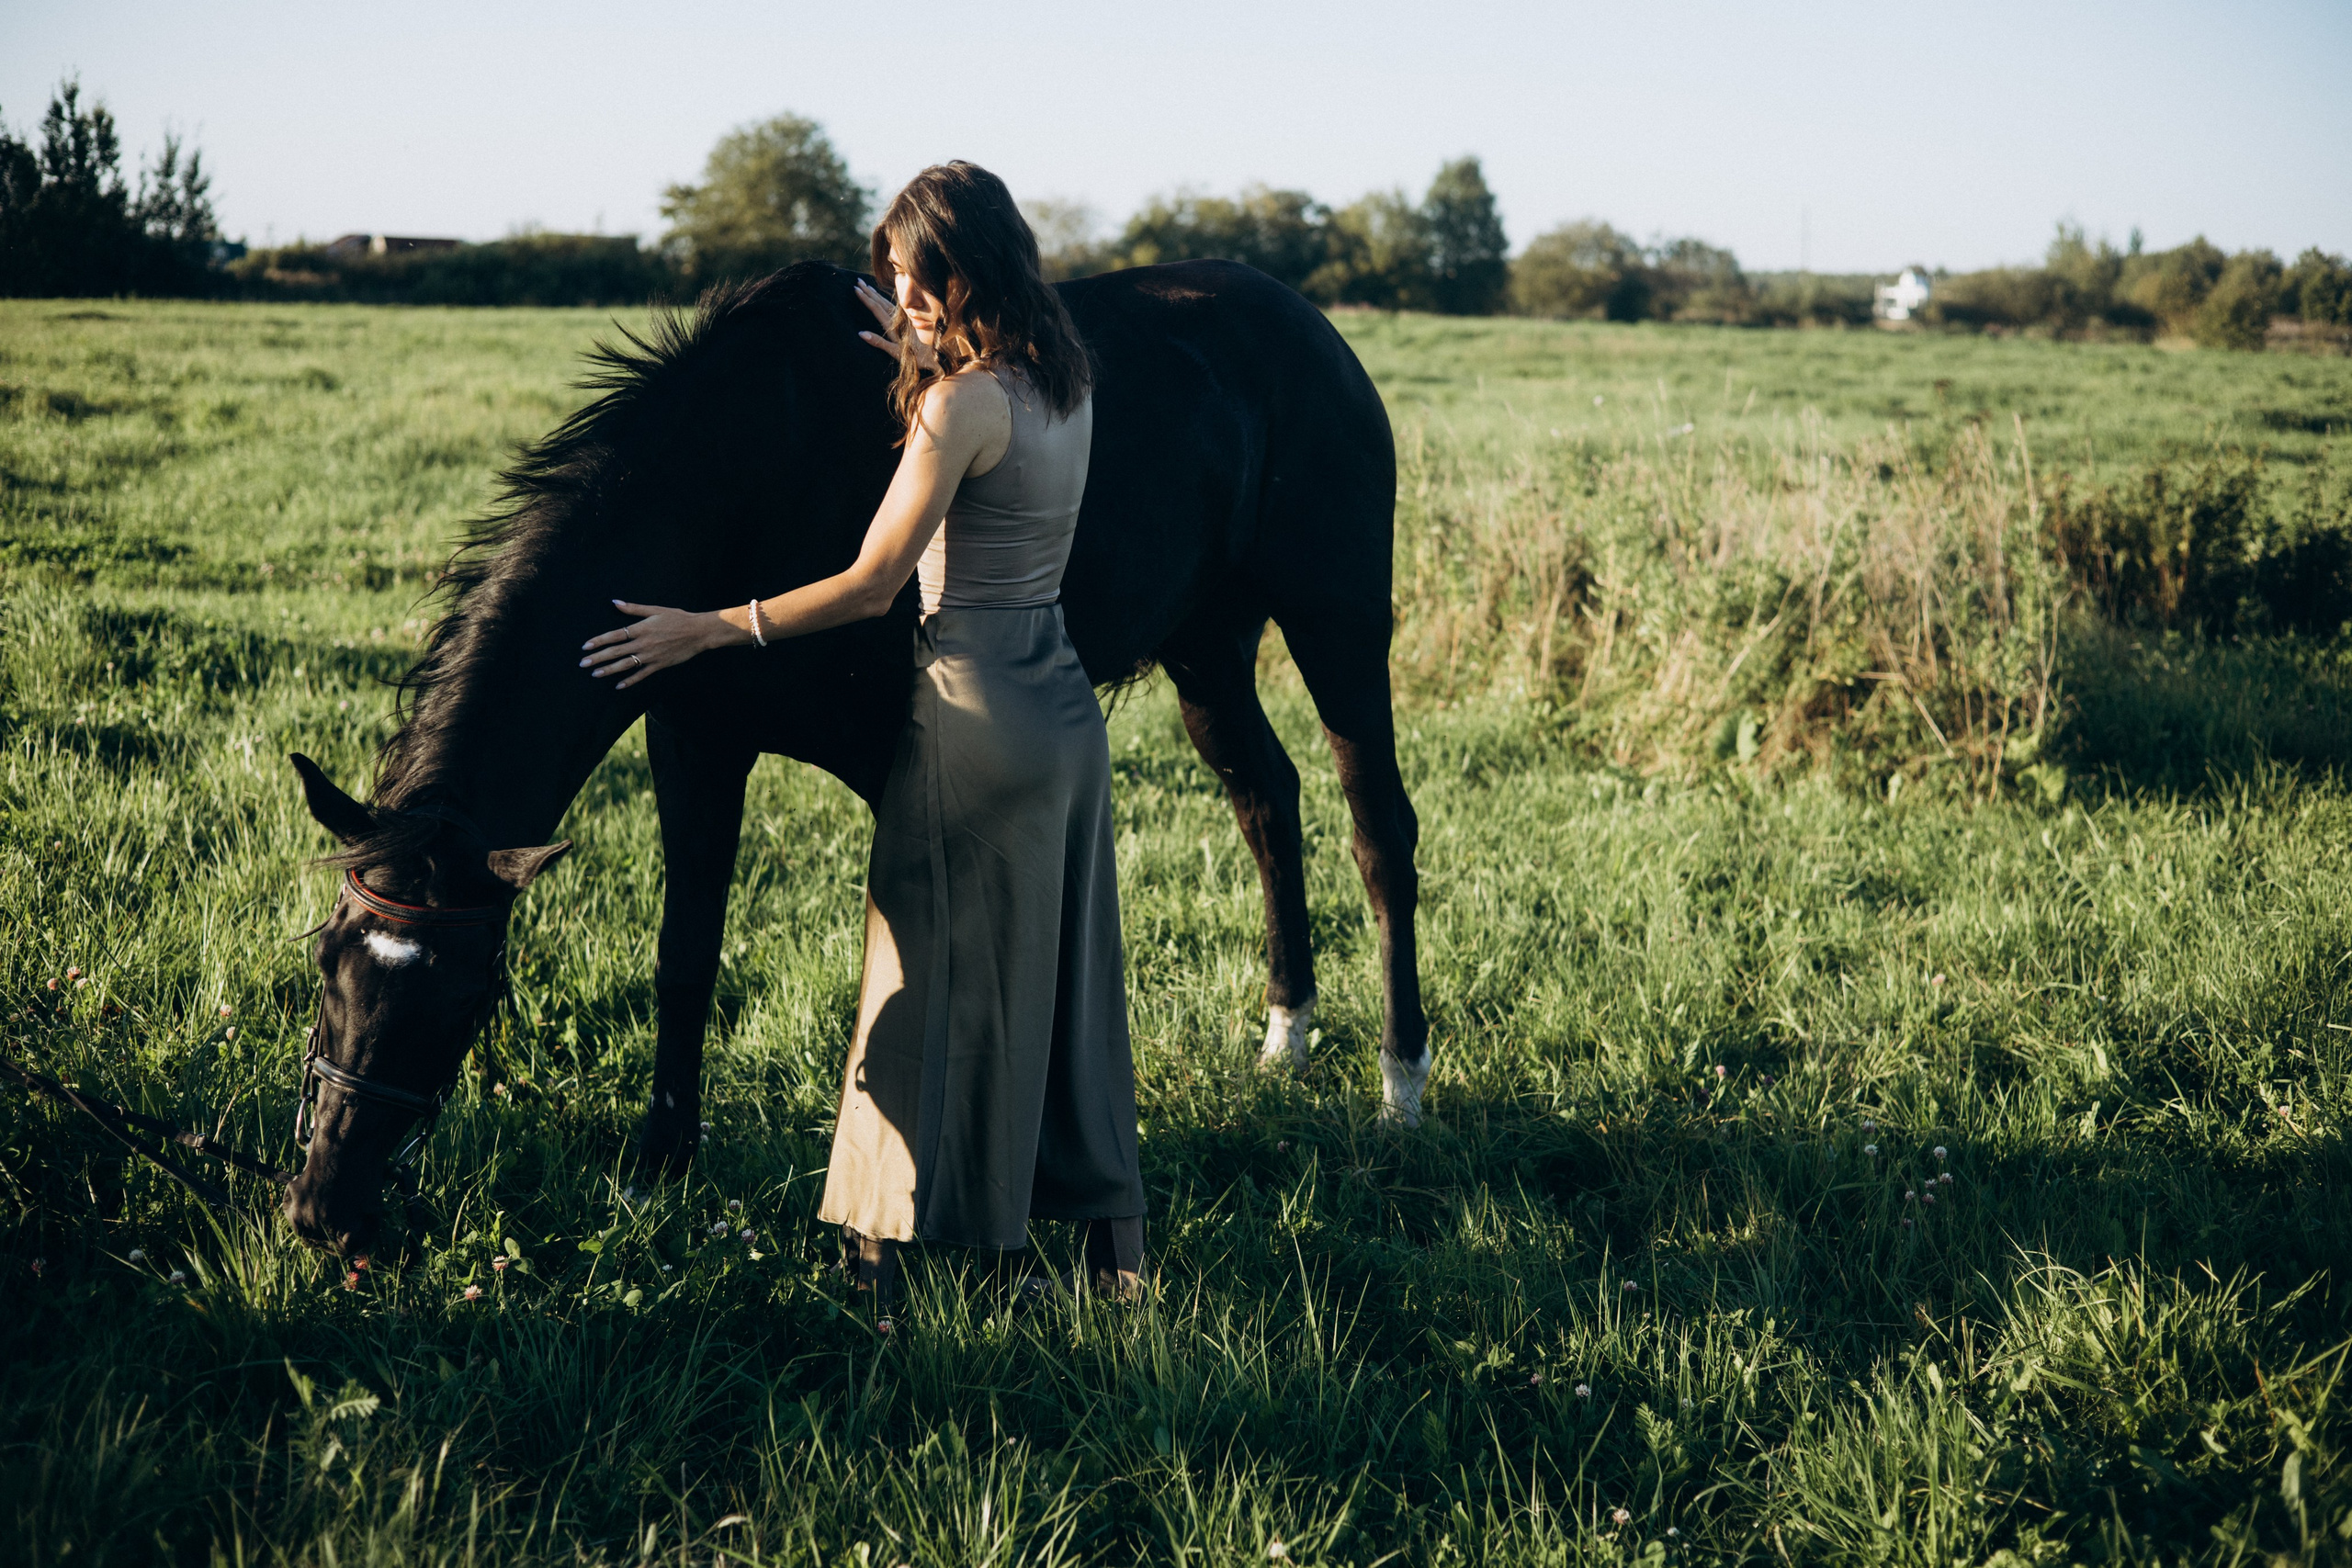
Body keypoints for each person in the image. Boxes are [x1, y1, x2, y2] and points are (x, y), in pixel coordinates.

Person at [578, 162, 1147, 1314]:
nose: (898, 293)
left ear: (958, 269)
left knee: (919, 980)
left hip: (969, 718)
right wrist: (924, 355)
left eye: (909, 275)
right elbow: (993, 444)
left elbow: (872, 585)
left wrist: (710, 628)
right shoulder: (1065, 379)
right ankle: (1117, 1268)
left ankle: (888, 1260)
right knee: (1068, 989)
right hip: (1065, 717)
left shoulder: (958, 405)